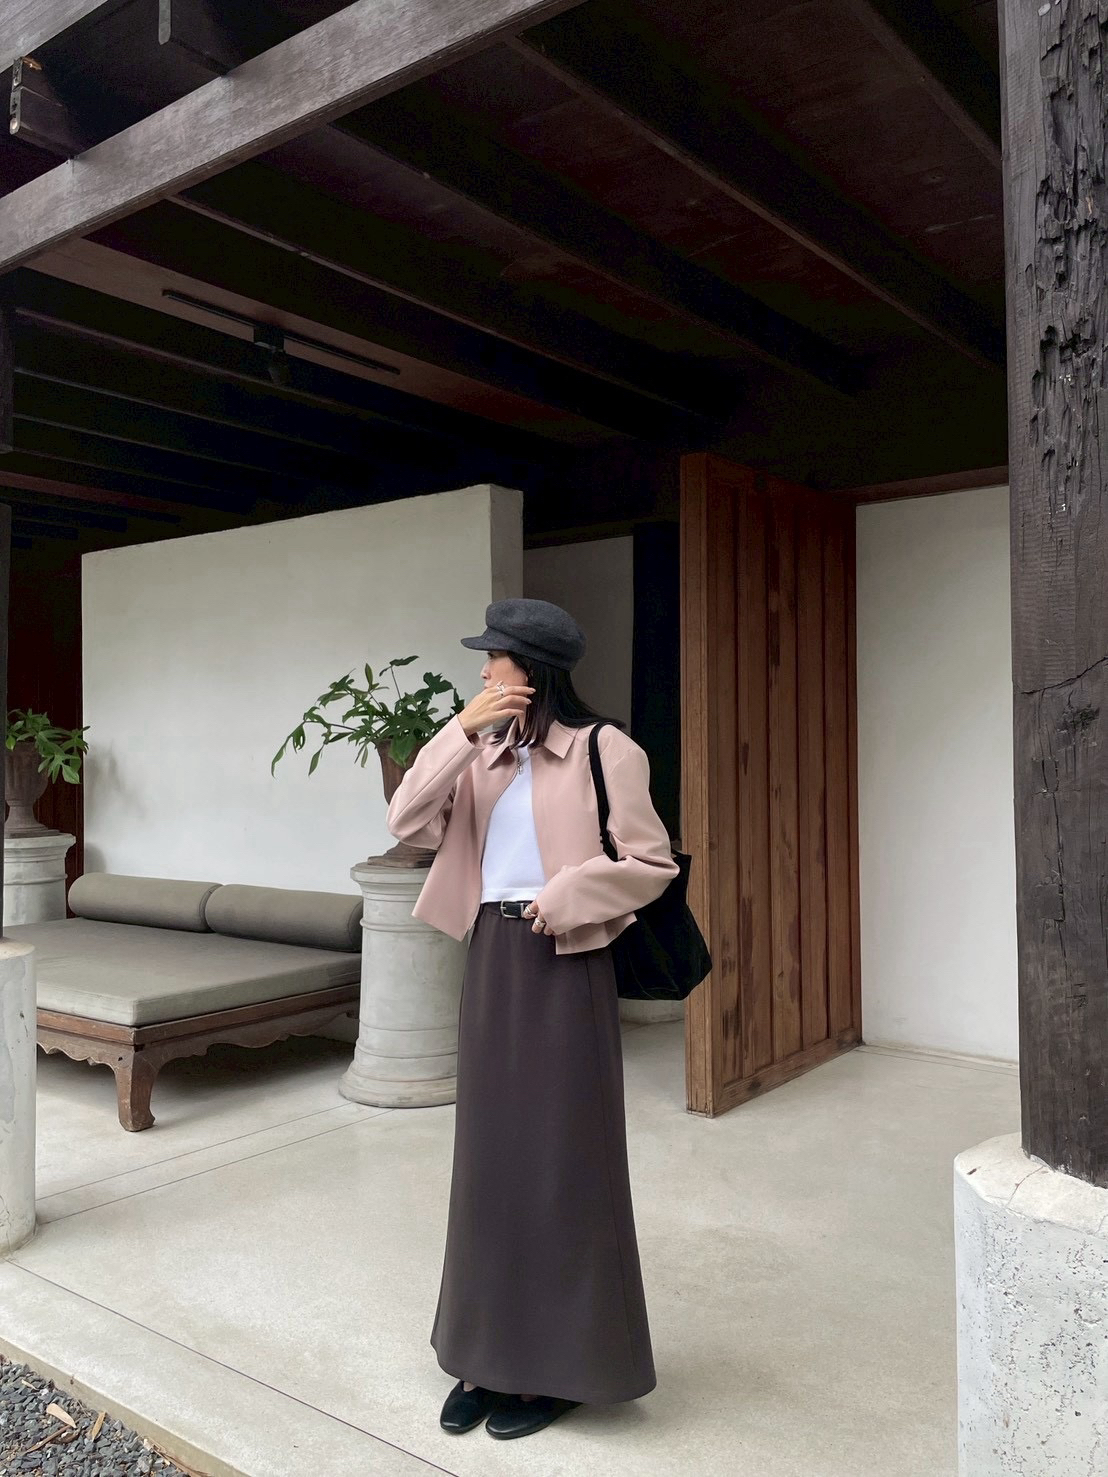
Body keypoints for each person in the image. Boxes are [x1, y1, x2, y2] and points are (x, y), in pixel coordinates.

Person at [385, 596, 679, 1441]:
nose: (484, 669)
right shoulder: (481, 754)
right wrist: (458, 730)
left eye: (496, 657)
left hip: (567, 961)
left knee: (562, 1164)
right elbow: (405, 821)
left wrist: (568, 894)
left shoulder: (605, 749)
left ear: (532, 669)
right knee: (490, 1164)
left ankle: (558, 1368)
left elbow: (652, 860)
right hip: (491, 960)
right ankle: (484, 1356)